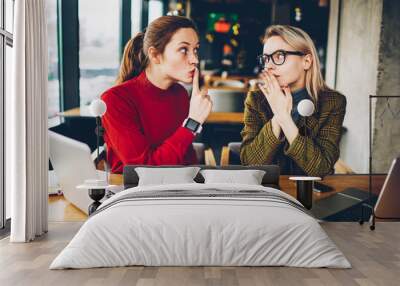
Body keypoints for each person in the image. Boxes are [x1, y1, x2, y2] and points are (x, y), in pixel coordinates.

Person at [101, 16, 212, 173]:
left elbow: (186, 159)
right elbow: (144, 170)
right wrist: (193, 123)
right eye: (183, 50)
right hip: (135, 193)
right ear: (155, 55)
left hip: (177, 189)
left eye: (195, 50)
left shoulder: (180, 94)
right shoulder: (115, 100)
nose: (194, 59)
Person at [240, 25, 346, 177]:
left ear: (307, 61)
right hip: (269, 193)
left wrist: (285, 119)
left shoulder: (333, 102)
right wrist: (277, 118)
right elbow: (249, 165)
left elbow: (322, 169)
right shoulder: (256, 100)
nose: (268, 66)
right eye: (266, 59)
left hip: (312, 193)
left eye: (279, 56)